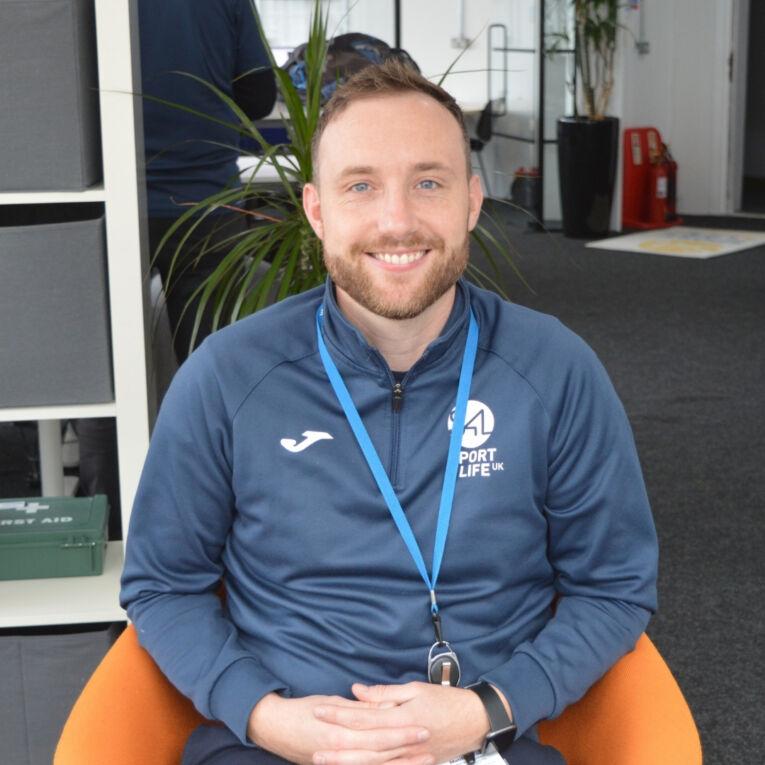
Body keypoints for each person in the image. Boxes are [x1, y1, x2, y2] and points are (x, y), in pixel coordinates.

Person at [121, 60, 658, 765]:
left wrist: (488, 708)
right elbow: (162, 583)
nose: (396, 221)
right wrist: (265, 714)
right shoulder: (227, 377)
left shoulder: (554, 370)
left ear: (471, 202)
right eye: (361, 186)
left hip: (486, 739)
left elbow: (613, 583)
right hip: (282, 745)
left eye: (427, 182)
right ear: (316, 211)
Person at [139, 0, 277, 362]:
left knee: (107, 367)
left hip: (111, 202)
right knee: (209, 366)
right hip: (207, 199)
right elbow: (259, 96)